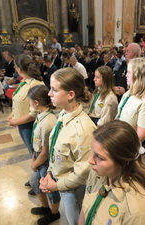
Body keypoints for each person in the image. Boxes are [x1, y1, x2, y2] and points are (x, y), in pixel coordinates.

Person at [39, 68, 96, 225]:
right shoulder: (64, 114)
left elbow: (82, 174)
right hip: (61, 182)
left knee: (75, 221)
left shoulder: (83, 129)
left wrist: (55, 185)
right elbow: (55, 148)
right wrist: (50, 173)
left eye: (54, 90)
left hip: (73, 189)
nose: (49, 93)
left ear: (70, 95)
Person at [78, 120, 145, 225]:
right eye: (92, 151)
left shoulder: (137, 211)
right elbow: (85, 210)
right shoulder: (96, 174)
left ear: (122, 161)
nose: (90, 160)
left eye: (100, 157)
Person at [26, 85, 61, 225]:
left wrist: (34, 164)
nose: (29, 103)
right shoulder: (41, 116)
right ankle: (45, 208)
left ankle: (54, 213)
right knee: (35, 182)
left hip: (45, 161)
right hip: (39, 156)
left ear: (36, 102)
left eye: (29, 101)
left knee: (50, 188)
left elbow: (46, 152)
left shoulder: (47, 122)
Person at [6, 54, 44, 159]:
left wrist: (15, 122)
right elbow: (20, 101)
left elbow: (34, 113)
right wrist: (12, 114)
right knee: (31, 151)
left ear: (19, 69)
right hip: (22, 123)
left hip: (30, 124)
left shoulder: (35, 84)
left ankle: (40, 173)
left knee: (36, 152)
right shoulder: (25, 82)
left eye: (15, 66)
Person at [116, 57, 145, 145]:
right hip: (120, 142)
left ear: (139, 76)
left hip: (132, 148)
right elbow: (118, 116)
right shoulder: (129, 93)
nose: (126, 75)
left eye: (129, 72)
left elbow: (141, 136)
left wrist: (117, 146)